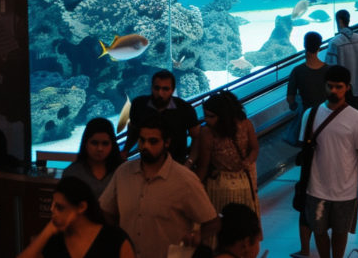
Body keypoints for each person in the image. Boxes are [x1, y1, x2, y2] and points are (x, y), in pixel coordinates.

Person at [101, 117, 220, 258]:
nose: (146, 146)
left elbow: (212, 222)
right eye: (142, 140)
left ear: (167, 142)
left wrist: (196, 235)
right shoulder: (123, 173)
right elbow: (106, 210)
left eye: (153, 141)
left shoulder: (184, 179)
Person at [299, 66, 358, 258]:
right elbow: (305, 150)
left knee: (341, 232)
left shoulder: (357, 119)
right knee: (319, 230)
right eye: (330, 86)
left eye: (338, 87)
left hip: (345, 191)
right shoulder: (311, 114)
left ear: (347, 87)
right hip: (316, 188)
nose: (334, 91)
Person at [17, 176, 135, 258]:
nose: (53, 212)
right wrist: (47, 232)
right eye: (52, 206)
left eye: (60, 207)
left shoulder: (114, 238)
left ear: (81, 207)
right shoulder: (55, 242)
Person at [194, 91, 260, 225]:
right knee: (241, 226)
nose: (207, 120)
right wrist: (247, 163)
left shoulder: (207, 132)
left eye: (211, 116)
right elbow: (255, 148)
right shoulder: (246, 124)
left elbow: (203, 166)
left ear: (222, 115)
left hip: (220, 185)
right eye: (205, 116)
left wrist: (194, 186)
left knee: (222, 229)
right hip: (243, 183)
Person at [124, 70, 200, 166]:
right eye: (157, 88)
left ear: (173, 90)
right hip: (146, 162)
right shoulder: (138, 104)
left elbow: (197, 137)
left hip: (176, 164)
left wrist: (189, 162)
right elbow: (133, 131)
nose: (160, 93)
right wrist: (125, 151)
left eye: (165, 89)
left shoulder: (185, 109)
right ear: (151, 88)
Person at [287, 33, 330, 147]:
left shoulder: (297, 71)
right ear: (319, 47)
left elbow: (290, 98)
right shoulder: (329, 70)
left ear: (304, 45)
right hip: (327, 115)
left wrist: (294, 106)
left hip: (307, 116)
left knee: (308, 149)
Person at [63, 118, 122, 199]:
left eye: (105, 143)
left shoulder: (123, 172)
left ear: (112, 144)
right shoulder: (71, 174)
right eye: (94, 143)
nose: (100, 149)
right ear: (85, 143)